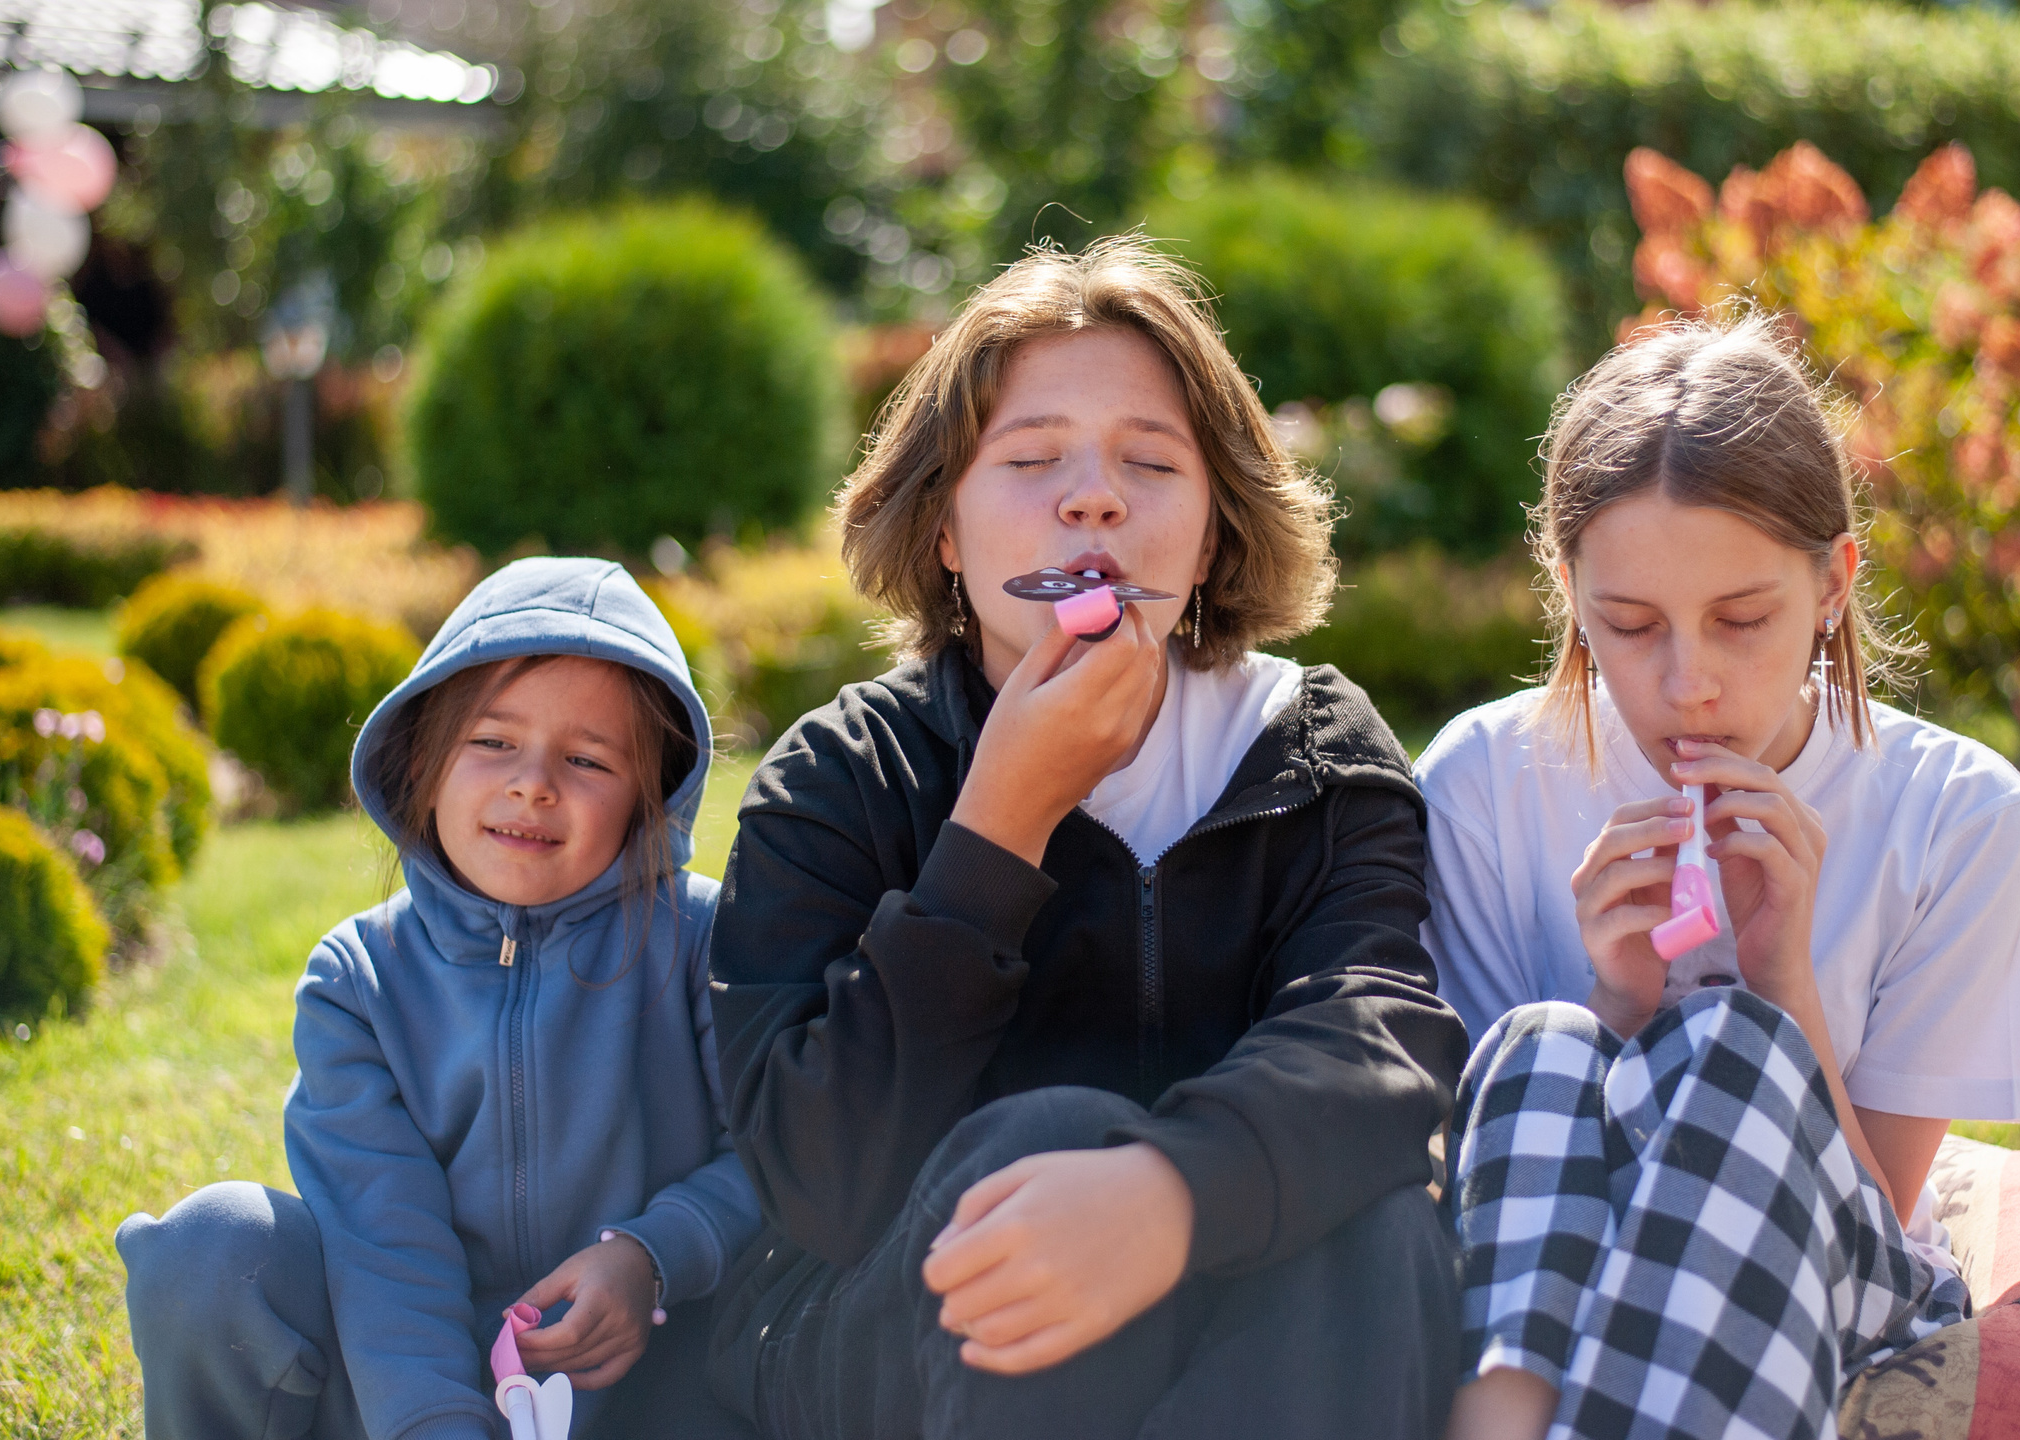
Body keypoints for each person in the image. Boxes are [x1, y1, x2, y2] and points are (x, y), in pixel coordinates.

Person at [703, 237, 1469, 1440]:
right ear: (946, 529)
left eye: (1149, 463)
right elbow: (820, 1184)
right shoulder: (843, 773)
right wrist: (999, 823)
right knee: (1049, 1137)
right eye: (1032, 458)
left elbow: (1376, 1044)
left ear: (1212, 537)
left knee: (1379, 1220)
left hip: (1244, 1308)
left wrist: (1172, 1193)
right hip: (886, 1339)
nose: (1093, 497)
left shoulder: (1313, 749)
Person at [1420, 315, 2020, 1440]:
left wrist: (1782, 982)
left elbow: (1882, 1202)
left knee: (1733, 1044)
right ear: (1568, 590)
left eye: (1742, 620)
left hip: (1839, 1270)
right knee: (1536, 1042)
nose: (1686, 683)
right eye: (1627, 625)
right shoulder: (1480, 780)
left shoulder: (1959, 816)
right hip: (1551, 1261)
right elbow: (1483, 1170)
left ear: (1831, 585)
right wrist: (1615, 1007)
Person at [116, 557, 761, 1440]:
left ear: (654, 800)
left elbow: (778, 1156)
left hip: (648, 1389)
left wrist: (652, 1258)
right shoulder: (357, 983)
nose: (533, 783)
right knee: (212, 1246)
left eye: (586, 759)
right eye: (492, 742)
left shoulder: (703, 941)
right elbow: (387, 1253)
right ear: (422, 758)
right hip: (403, 1396)